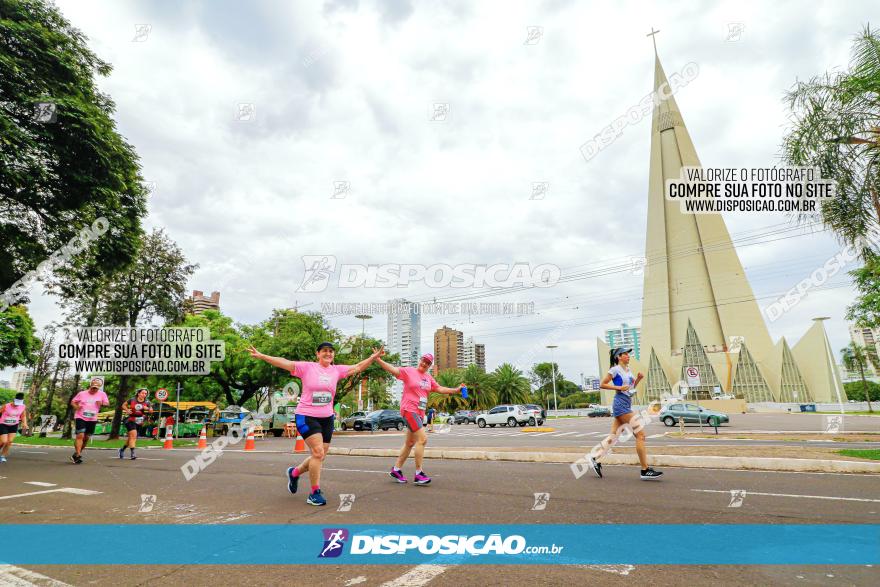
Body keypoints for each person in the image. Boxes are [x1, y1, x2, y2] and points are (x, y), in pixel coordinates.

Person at [248, 341, 382, 506]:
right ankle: (314, 492)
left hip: (327, 418)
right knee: (318, 453)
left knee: (319, 456)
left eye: (331, 351)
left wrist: (372, 357)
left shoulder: (337, 370)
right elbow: (284, 362)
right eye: (324, 351)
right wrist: (262, 356)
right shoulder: (307, 368)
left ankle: (295, 473)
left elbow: (358, 367)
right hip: (306, 415)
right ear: (317, 354)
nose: (328, 353)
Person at [374, 350, 464, 485]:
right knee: (422, 439)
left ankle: (396, 469)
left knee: (410, 443)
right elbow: (393, 370)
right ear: (420, 360)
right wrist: (378, 360)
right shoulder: (409, 372)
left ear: (429, 365)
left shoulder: (428, 378)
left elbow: (439, 388)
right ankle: (419, 473)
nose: (424, 364)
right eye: (423, 361)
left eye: (428, 363)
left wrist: (455, 390)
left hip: (419, 413)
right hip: (409, 410)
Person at [589, 348, 662, 480]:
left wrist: (638, 379)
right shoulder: (615, 370)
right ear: (619, 357)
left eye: (628, 354)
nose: (628, 356)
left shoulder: (628, 371)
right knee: (640, 434)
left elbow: (631, 388)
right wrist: (618, 388)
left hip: (626, 403)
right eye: (625, 354)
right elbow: (602, 384)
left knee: (614, 437)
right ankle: (645, 470)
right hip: (620, 405)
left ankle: (596, 458)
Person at [70, 377, 110, 464]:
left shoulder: (102, 394)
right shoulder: (82, 393)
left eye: (96, 388)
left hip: (92, 418)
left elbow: (107, 403)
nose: (94, 390)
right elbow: (73, 401)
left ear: (99, 388)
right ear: (90, 386)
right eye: (93, 388)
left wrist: (102, 403)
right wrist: (76, 407)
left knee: (86, 438)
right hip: (80, 416)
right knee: (80, 435)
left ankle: (76, 454)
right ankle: (77, 455)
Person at [119, 388, 153, 460]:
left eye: (145, 394)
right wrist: (127, 410)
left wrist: (147, 408)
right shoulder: (132, 400)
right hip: (130, 419)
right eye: (142, 393)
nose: (144, 395)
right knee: (133, 436)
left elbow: (151, 411)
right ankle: (133, 454)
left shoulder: (147, 402)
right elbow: (123, 405)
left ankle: (122, 449)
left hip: (139, 421)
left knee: (131, 438)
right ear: (138, 393)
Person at [0, 393, 30, 462]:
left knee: (9, 441)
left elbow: (23, 415)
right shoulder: (6, 406)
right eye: (16, 403)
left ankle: (2, 456)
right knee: (3, 441)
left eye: (19, 403)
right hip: (3, 424)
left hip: (14, 425)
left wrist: (25, 423)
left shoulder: (23, 406)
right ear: (14, 400)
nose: (17, 404)